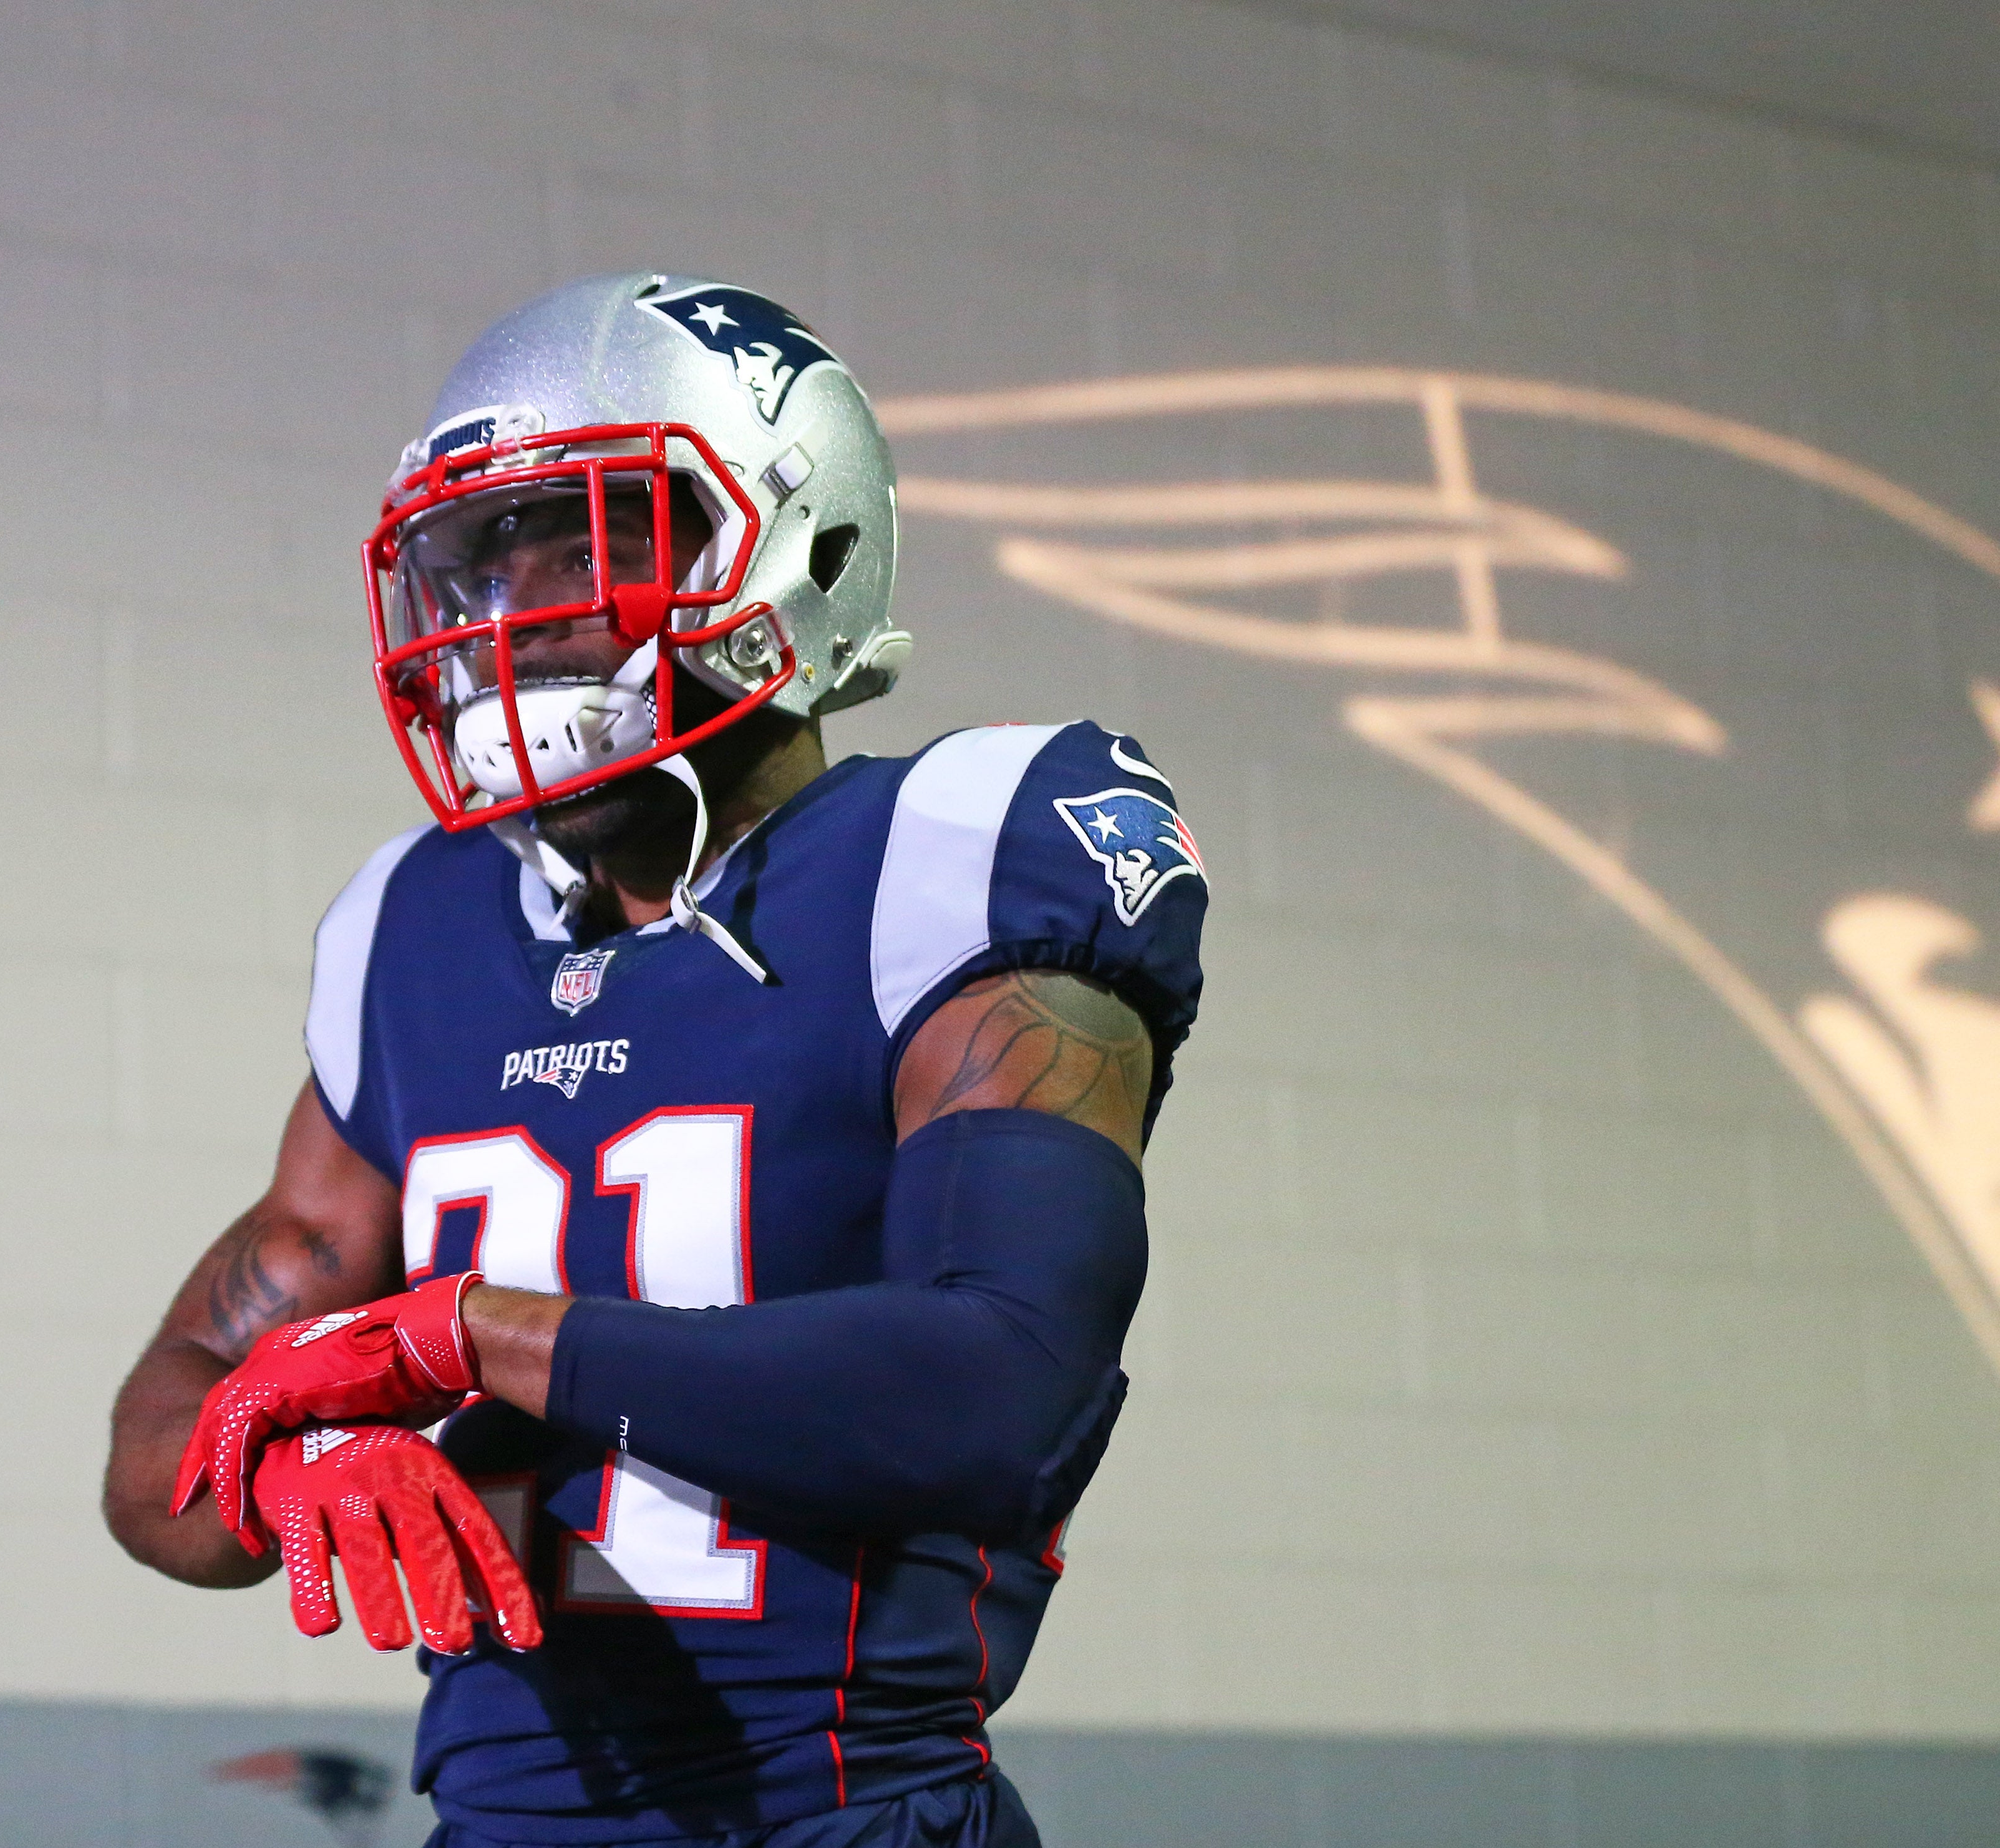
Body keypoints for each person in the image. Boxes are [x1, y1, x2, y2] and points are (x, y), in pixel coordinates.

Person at [100, 273, 1207, 1848]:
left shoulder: (951, 858)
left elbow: (999, 1389)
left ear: (799, 547)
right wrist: (296, 1472)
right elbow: (169, 1443)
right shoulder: (415, 926)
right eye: (481, 563)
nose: (517, 614)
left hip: (844, 1816)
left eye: (593, 540)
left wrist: (464, 1335)